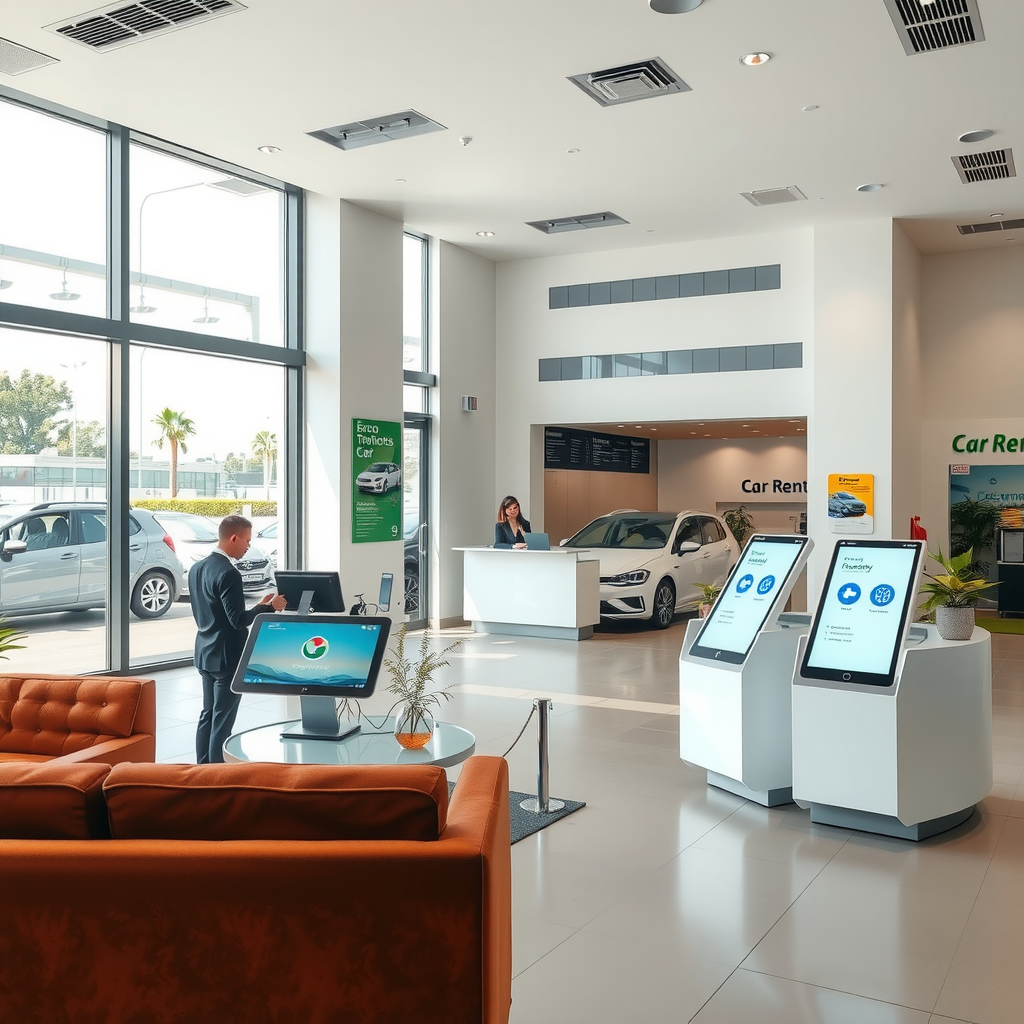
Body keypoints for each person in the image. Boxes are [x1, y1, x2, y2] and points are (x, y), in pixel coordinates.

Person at [190, 514, 287, 763]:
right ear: (234, 538)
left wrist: (259, 605)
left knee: (208, 714)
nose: (248, 547)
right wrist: (270, 608)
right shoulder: (229, 573)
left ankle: (202, 769)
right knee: (222, 720)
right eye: (247, 541)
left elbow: (219, 612)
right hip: (227, 656)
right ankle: (217, 777)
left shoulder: (197, 568)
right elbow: (238, 621)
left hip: (204, 651)